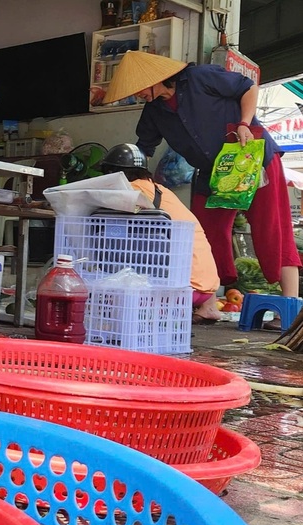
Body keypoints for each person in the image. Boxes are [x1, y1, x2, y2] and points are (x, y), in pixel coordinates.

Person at [103, 50, 300, 300]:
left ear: (155, 78)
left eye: (139, 88)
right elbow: (144, 149)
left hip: (252, 158)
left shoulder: (200, 77)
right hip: (212, 171)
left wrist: (244, 123)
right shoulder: (154, 111)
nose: (137, 95)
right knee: (201, 232)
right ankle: (208, 301)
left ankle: (290, 305)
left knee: (271, 227)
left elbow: (247, 88)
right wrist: (125, 180)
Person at [99, 143, 222, 323]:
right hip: (207, 288)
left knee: (110, 289)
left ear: (113, 173)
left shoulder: (130, 190)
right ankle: (209, 308)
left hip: (181, 292)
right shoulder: (161, 190)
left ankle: (159, 313)